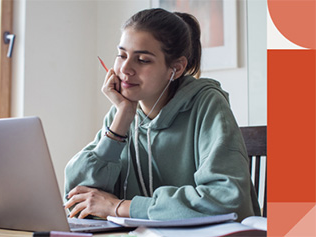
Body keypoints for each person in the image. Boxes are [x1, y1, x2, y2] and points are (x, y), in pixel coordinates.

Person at [64, 8, 261, 222]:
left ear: (175, 69)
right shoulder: (123, 111)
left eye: (143, 60)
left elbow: (227, 200)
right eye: (122, 55)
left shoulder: (207, 104)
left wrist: (119, 206)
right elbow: (77, 197)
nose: (126, 69)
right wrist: (120, 123)